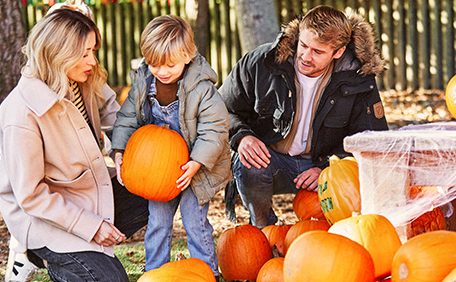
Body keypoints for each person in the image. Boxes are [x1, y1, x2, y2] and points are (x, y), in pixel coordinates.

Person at [0, 7, 148, 282]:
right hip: (47, 220)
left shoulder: (82, 80)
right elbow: (32, 196)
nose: (92, 60)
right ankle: (44, 255)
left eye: (93, 50)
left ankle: (81, 257)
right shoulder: (21, 113)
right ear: (58, 54)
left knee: (159, 187)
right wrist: (92, 228)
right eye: (84, 53)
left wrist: (124, 150)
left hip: (90, 193)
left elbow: (117, 119)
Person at [219, 5, 389, 228]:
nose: (306, 56)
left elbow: (371, 141)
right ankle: (263, 229)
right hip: (272, 159)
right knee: (247, 162)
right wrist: (242, 136)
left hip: (322, 165)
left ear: (338, 52)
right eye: (304, 45)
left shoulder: (357, 79)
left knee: (325, 224)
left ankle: (327, 236)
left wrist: (329, 168)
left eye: (318, 52)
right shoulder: (263, 62)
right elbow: (220, 108)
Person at [111, 15, 231, 279]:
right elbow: (127, 117)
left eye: (169, 65)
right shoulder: (145, 82)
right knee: (157, 223)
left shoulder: (202, 89)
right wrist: (119, 150)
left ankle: (208, 273)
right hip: (160, 172)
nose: (162, 71)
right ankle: (156, 272)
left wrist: (197, 162)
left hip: (194, 170)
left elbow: (215, 129)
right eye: (154, 64)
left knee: (195, 223)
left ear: (187, 55)